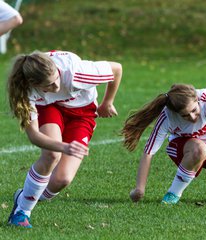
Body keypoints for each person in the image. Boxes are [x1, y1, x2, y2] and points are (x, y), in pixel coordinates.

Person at [7, 50, 122, 228]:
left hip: (82, 113)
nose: (56, 87)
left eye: (56, 79)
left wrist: (107, 102)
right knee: (52, 155)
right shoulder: (25, 90)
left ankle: (27, 196)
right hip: (50, 107)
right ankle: (22, 211)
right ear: (34, 84)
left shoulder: (77, 72)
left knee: (62, 180)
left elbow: (116, 68)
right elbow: (35, 136)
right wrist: (63, 147)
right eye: (49, 86)